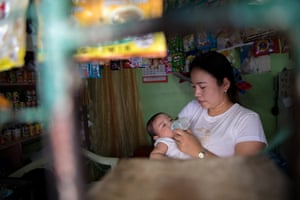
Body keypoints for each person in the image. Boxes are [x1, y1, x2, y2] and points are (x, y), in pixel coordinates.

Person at [173, 51, 267, 158]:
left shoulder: (247, 120)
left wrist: (198, 151)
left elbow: (243, 173)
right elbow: (171, 131)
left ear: (225, 84)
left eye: (202, 87)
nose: (196, 93)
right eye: (194, 86)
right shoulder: (193, 108)